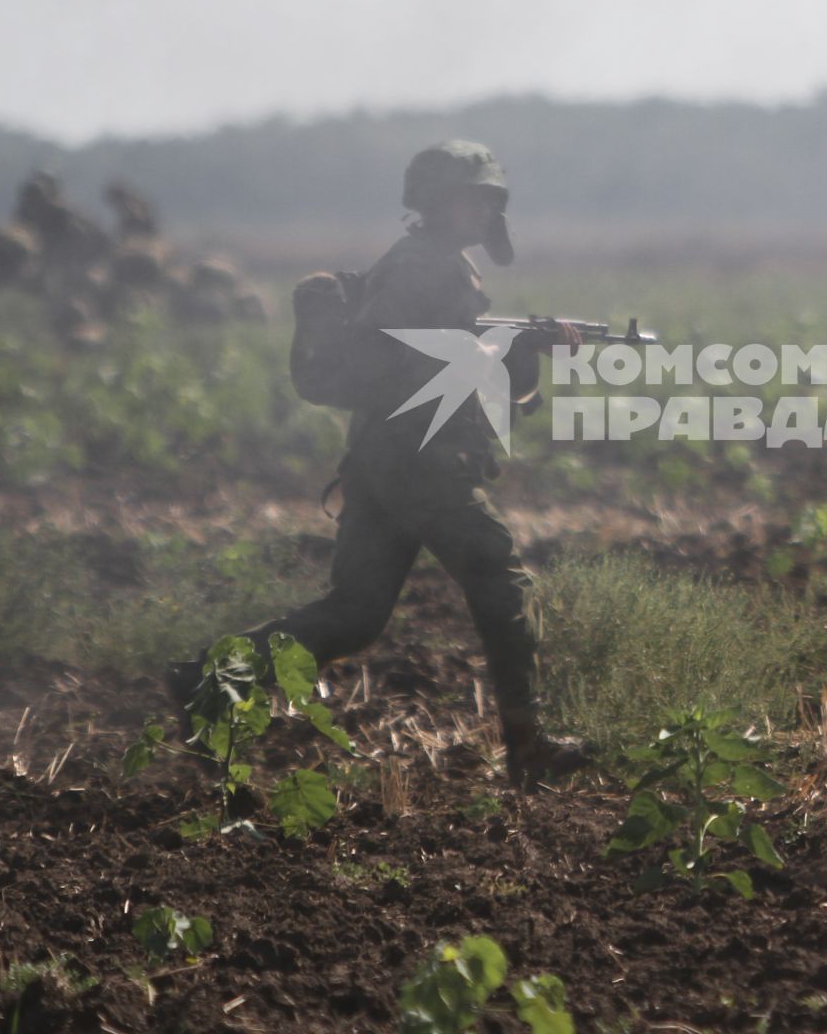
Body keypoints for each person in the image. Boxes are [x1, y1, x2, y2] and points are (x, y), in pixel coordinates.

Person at [165, 140, 586, 790]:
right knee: (504, 586)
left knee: (356, 613)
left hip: (385, 460)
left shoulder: (434, 263)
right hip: (420, 460)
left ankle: (209, 680)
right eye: (466, 197)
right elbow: (399, 358)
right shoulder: (428, 268)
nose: (479, 208)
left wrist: (515, 346)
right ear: (434, 205)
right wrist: (497, 347)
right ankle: (528, 748)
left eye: (486, 198)